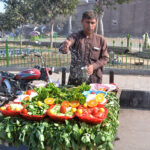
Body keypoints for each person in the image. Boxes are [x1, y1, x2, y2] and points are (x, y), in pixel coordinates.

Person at [59, 10, 109, 86]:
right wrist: (66, 46)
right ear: (82, 22)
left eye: (92, 23)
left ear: (96, 23)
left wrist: (93, 66)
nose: (90, 26)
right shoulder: (75, 37)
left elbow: (105, 58)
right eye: (87, 22)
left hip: (94, 81)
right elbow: (65, 46)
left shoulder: (100, 40)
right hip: (76, 82)